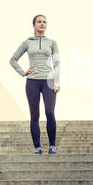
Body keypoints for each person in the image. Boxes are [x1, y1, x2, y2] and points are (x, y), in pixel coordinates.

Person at [9, 14, 60, 155]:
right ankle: (37, 147)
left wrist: (57, 81)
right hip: (32, 82)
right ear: (34, 25)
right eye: (39, 22)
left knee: (50, 112)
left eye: (44, 22)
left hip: (48, 80)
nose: (42, 24)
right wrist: (23, 72)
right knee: (34, 115)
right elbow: (13, 59)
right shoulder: (27, 42)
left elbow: (56, 63)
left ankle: (52, 146)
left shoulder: (52, 42)